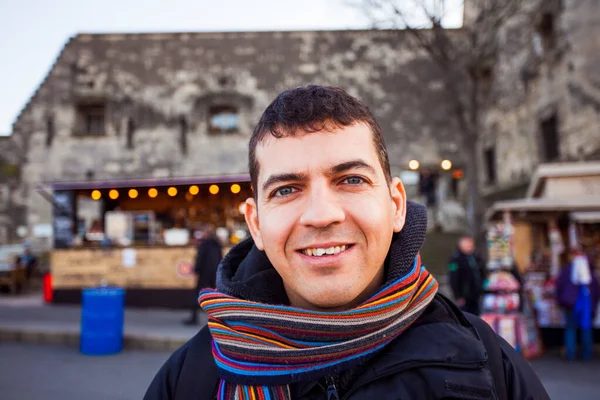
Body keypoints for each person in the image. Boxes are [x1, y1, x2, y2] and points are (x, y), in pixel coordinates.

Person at [145, 85, 549, 399]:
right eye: (286, 190)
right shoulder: (189, 380)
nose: (322, 214)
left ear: (395, 205)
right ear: (255, 224)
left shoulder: (487, 364)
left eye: (351, 180)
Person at [555, 250, 600, 360]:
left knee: (571, 328)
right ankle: (586, 354)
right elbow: (596, 291)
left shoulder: (567, 270)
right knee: (586, 328)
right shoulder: (590, 272)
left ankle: (570, 354)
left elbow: (559, 287)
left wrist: (560, 300)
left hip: (570, 304)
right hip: (586, 305)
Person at [183, 224, 223, 326]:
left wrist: (196, 271)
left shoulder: (204, 244)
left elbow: (199, 259)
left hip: (204, 274)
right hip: (215, 274)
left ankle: (194, 318)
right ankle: (219, 320)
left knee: (197, 295)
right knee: (215, 296)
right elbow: (221, 259)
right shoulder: (217, 244)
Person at [448, 235, 486, 315]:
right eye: (468, 244)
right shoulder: (456, 259)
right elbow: (453, 279)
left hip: (476, 295)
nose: (470, 246)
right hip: (464, 296)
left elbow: (482, 272)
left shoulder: (476, 258)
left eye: (471, 244)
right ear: (461, 245)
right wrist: (458, 296)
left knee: (477, 316)